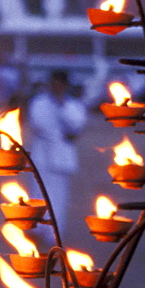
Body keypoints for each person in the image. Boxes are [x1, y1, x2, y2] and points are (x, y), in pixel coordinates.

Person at [25, 69, 87, 242]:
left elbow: (76, 127)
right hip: (42, 151)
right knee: (38, 192)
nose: (56, 86)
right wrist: (60, 133)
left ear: (65, 85)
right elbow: (38, 123)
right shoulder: (39, 102)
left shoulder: (73, 105)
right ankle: (37, 231)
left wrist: (61, 106)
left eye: (60, 83)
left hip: (61, 154)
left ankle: (53, 234)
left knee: (58, 196)